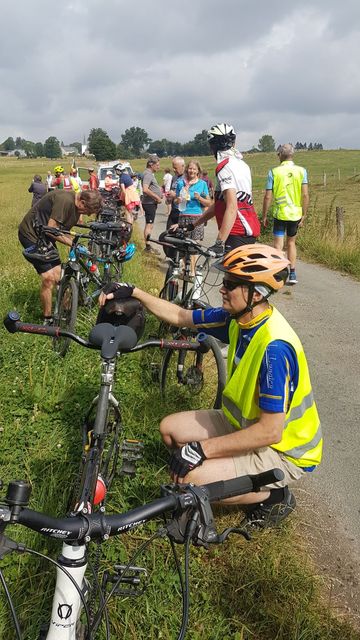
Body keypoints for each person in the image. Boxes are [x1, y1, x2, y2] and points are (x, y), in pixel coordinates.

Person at [99, 244, 322, 528]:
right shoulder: (239, 319)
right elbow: (182, 317)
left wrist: (202, 450)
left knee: (188, 481)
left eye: (231, 284)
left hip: (282, 450)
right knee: (170, 430)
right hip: (243, 426)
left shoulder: (274, 349)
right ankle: (219, 477)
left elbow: (270, 431)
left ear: (256, 294)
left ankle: (274, 494)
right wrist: (135, 292)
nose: (222, 289)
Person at [18, 189, 102, 324]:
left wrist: (75, 245)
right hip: (31, 234)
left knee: (61, 277)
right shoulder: (65, 200)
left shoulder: (75, 209)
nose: (87, 214)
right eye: (87, 210)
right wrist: (73, 245)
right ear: (82, 201)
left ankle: (66, 315)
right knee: (48, 278)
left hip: (45, 237)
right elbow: (52, 229)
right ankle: (47, 319)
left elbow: (62, 232)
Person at [189, 124, 260, 257]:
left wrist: (219, 243)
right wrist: (193, 225)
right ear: (233, 142)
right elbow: (221, 204)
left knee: (232, 277)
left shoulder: (224, 167)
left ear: (213, 147)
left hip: (237, 230)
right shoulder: (242, 164)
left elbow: (232, 206)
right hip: (248, 227)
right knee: (236, 277)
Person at [262, 144, 309, 285]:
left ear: (280, 155)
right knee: (291, 243)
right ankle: (293, 273)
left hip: (280, 213)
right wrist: (304, 213)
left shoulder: (274, 172)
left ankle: (278, 273)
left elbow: (268, 197)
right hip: (295, 213)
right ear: (292, 155)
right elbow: (305, 194)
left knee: (278, 245)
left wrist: (264, 215)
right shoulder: (302, 171)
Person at [173, 160, 212, 274]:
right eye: (190, 168)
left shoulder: (202, 184)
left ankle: (193, 272)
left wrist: (200, 198)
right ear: (187, 169)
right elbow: (175, 201)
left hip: (197, 217)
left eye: (194, 169)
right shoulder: (181, 183)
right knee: (184, 244)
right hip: (183, 215)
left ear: (198, 171)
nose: (192, 171)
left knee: (195, 245)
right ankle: (185, 269)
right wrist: (178, 200)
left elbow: (209, 203)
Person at [141, 156, 163, 253]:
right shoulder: (148, 174)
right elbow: (145, 189)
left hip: (150, 203)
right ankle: (148, 247)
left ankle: (148, 245)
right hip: (149, 203)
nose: (158, 167)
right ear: (151, 164)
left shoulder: (149, 174)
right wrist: (157, 197)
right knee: (149, 225)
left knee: (150, 225)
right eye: (157, 165)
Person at [166, 156, 185, 229]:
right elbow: (171, 190)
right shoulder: (174, 178)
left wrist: (175, 195)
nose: (174, 170)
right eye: (173, 167)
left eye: (176, 168)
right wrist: (169, 198)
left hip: (183, 212)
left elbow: (189, 195)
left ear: (183, 166)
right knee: (167, 234)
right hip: (174, 210)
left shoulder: (187, 178)